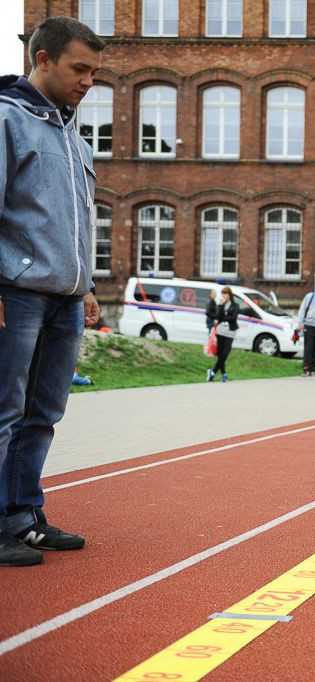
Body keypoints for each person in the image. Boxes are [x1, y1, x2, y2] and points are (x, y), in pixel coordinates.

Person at [0, 17, 105, 567]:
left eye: (95, 72)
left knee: (44, 412)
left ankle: (22, 516)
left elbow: (79, 221)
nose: (89, 81)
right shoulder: (7, 120)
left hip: (65, 298)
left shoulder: (73, 137)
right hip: (16, 293)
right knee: (4, 409)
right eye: (79, 68)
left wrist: (85, 284)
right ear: (42, 60)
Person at [207, 287, 239, 382]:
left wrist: (223, 318)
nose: (224, 295)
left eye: (226, 293)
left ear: (230, 295)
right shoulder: (220, 305)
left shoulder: (235, 305)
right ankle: (224, 375)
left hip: (230, 332)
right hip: (220, 331)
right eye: (222, 294)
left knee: (225, 353)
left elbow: (233, 317)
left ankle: (213, 372)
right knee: (220, 354)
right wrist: (220, 306)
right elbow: (217, 316)